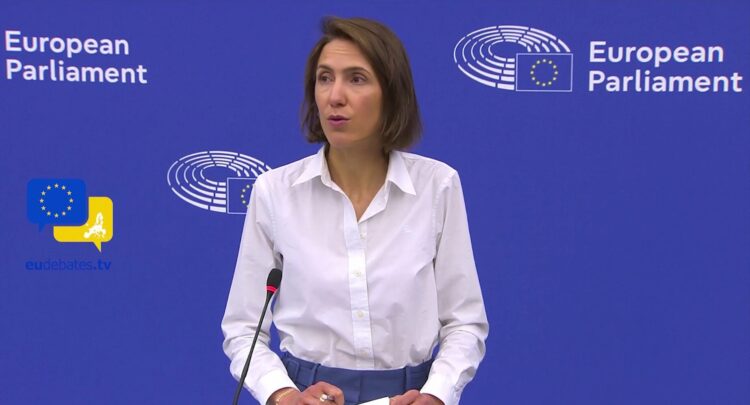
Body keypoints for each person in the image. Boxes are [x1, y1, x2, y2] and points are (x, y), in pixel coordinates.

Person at [222, 17, 488, 405]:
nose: (335, 96)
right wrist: (282, 394)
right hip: (308, 395)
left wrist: (437, 394)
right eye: (324, 78)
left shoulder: (437, 186)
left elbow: (464, 322)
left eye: (357, 79)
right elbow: (244, 329)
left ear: (392, 94)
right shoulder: (275, 192)